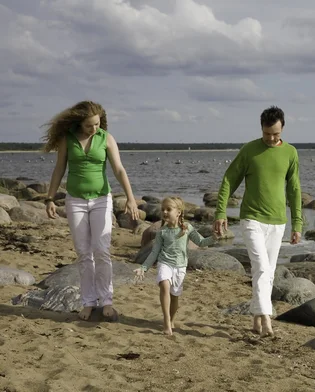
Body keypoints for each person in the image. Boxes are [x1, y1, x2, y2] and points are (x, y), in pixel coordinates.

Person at [42, 100, 139, 321]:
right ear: (79, 123)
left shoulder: (107, 139)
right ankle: (88, 301)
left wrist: (131, 199)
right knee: (84, 253)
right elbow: (59, 169)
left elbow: (119, 169)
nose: (94, 129)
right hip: (75, 201)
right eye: (89, 126)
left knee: (101, 250)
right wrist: (50, 198)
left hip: (101, 200)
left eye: (97, 124)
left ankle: (106, 301)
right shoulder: (68, 140)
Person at [213, 106, 302, 337]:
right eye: (267, 134)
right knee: (262, 268)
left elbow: (294, 189)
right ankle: (266, 320)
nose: (271, 139)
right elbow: (229, 180)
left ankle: (255, 318)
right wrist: (220, 211)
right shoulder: (249, 151)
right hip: (252, 218)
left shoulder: (291, 153)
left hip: (277, 222)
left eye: (275, 134)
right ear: (261, 128)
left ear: (282, 129)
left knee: (267, 273)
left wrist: (297, 224)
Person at [133, 196, 216, 335]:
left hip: (180, 267)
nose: (165, 212)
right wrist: (144, 267)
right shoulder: (162, 232)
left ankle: (171, 319)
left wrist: (214, 237)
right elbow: (154, 252)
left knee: (175, 295)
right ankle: (166, 322)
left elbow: (201, 242)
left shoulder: (187, 228)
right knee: (164, 286)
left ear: (178, 212)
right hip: (165, 263)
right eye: (163, 209)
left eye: (168, 209)